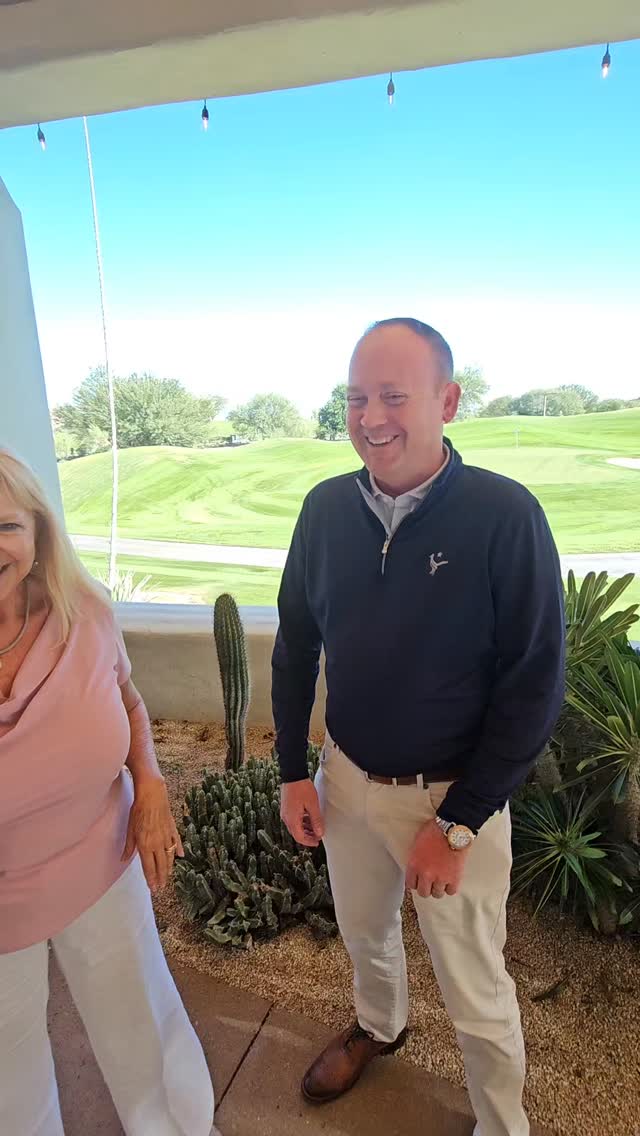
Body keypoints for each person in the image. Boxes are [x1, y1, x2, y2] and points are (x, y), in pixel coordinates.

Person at [272, 318, 565, 1136]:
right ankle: (379, 1026)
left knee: (474, 986)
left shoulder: (505, 516)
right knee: (365, 932)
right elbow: (297, 644)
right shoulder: (325, 508)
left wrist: (461, 821)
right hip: (347, 780)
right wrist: (296, 769)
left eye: (393, 396)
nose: (371, 417)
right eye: (357, 397)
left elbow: (535, 684)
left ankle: (501, 1126)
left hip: (449, 802)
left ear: (447, 401)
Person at [0, 449, 221, 1136]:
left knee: (144, 1027)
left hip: (101, 859)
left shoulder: (83, 612)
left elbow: (125, 699)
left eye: (4, 525)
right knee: (7, 1073)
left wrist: (149, 784)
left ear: (37, 534)